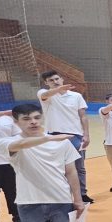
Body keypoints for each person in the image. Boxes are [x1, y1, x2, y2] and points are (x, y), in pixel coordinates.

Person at [37, 71, 91, 204]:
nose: (55, 81)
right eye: (51, 80)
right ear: (46, 83)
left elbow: (83, 116)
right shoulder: (44, 94)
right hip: (54, 136)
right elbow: (45, 95)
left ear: (62, 79)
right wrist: (58, 89)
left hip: (75, 136)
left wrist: (86, 134)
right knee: (57, 168)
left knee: (79, 167)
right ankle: (62, 196)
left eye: (57, 79)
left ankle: (82, 194)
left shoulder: (76, 96)